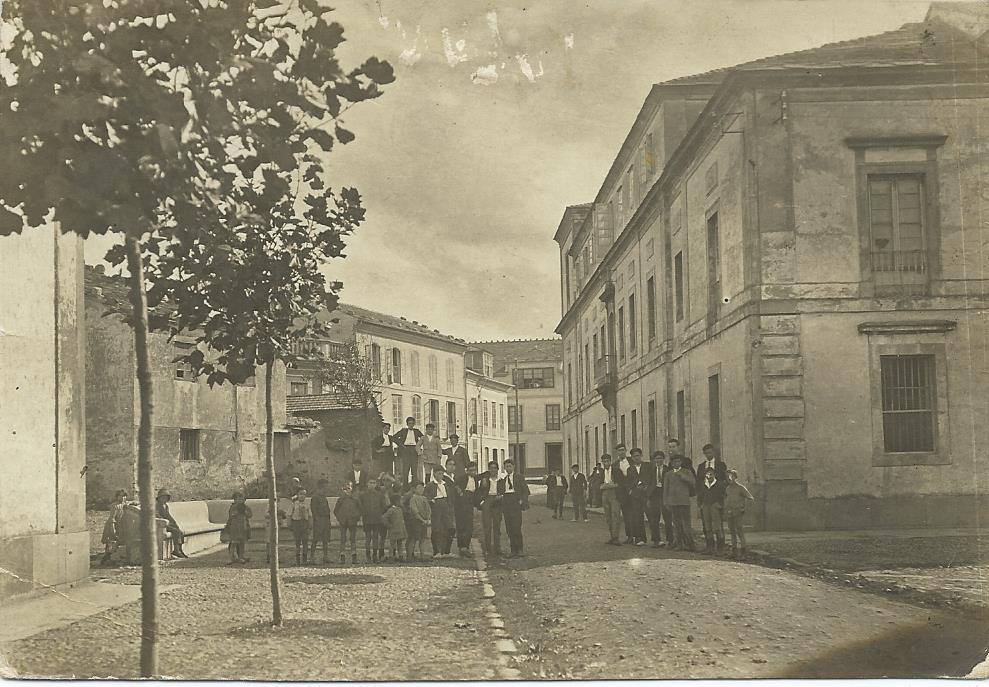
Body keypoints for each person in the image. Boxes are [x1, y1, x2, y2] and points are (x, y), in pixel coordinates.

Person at [695, 444, 728, 544]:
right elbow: (698, 484)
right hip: (705, 499)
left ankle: (720, 546)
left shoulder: (721, 465)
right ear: (704, 454)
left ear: (714, 452)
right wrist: (699, 500)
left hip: (716, 499)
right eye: (706, 453)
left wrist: (721, 500)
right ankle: (709, 546)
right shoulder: (701, 466)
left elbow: (724, 483)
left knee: (717, 524)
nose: (708, 454)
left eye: (710, 452)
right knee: (706, 524)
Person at [498, 459, 530, 557]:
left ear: (513, 466)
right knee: (509, 528)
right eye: (506, 467)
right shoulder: (503, 480)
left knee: (516, 527)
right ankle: (513, 550)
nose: (508, 468)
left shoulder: (519, 477)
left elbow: (526, 491)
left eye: (510, 466)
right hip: (507, 503)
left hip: (516, 502)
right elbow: (501, 492)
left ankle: (520, 549)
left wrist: (521, 501)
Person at [663, 455, 695, 551]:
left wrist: (683, 476)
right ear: (672, 463)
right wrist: (665, 501)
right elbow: (666, 489)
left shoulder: (687, 472)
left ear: (681, 462)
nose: (676, 463)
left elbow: (693, 482)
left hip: (684, 501)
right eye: (674, 462)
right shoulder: (668, 474)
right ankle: (679, 544)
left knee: (686, 524)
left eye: (678, 461)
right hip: (673, 502)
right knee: (677, 524)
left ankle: (690, 544)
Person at [424, 464, 455, 558]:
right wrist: (431, 500)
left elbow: (450, 496)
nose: (440, 475)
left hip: (446, 506)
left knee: (450, 528)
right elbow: (425, 495)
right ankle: (436, 551)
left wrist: (450, 506)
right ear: (434, 475)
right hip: (436, 506)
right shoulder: (430, 485)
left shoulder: (445, 484)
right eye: (438, 474)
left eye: (442, 474)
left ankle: (446, 551)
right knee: (436, 529)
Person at [475, 459, 504, 556]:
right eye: (491, 468)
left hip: (497, 502)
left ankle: (497, 548)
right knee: (487, 526)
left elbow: (504, 491)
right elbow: (479, 492)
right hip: (487, 501)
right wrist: (482, 502)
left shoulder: (501, 480)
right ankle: (487, 549)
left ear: (498, 469)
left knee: (497, 526)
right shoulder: (485, 480)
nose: (493, 470)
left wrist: (501, 497)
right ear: (489, 469)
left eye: (495, 468)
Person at [723, 469, 755, 558]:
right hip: (730, 513)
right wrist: (726, 510)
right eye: (727, 477)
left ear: (735, 477)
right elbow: (727, 500)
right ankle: (734, 552)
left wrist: (743, 508)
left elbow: (750, 498)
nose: (729, 479)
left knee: (739, 531)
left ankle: (743, 551)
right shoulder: (728, 489)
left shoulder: (741, 488)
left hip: (738, 513)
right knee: (732, 532)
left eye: (731, 476)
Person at [697, 466, 726, 554]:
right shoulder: (703, 484)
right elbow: (700, 495)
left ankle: (720, 548)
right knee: (707, 527)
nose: (709, 476)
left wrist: (720, 504)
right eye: (707, 474)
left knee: (717, 527)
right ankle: (710, 547)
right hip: (706, 506)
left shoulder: (720, 484)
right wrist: (700, 504)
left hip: (715, 507)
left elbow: (724, 496)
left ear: (715, 475)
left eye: (711, 474)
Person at [452, 458, 477, 557]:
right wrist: (460, 492)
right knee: (461, 525)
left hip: (470, 502)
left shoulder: (476, 479)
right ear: (467, 470)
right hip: (461, 503)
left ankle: (466, 546)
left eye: (474, 470)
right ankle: (462, 547)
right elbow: (455, 485)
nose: (473, 472)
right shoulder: (462, 478)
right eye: (470, 470)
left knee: (469, 526)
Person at [359, 478, 388, 563]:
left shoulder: (379, 495)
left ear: (376, 484)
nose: (372, 484)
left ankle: (375, 555)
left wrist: (379, 514)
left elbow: (384, 506)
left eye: (374, 483)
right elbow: (360, 506)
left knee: (375, 537)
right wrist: (363, 513)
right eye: (370, 483)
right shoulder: (363, 495)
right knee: (368, 538)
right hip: (367, 519)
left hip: (376, 519)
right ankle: (368, 556)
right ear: (367, 484)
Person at [624, 448, 648, 546]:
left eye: (638, 456)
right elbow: (628, 482)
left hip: (646, 494)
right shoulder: (630, 469)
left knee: (652, 516)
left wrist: (645, 486)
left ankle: (657, 539)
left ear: (641, 456)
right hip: (635, 495)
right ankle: (639, 538)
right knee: (637, 517)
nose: (636, 458)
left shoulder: (648, 466)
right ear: (632, 458)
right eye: (634, 456)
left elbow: (650, 478)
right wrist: (630, 491)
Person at [156, 488, 189, 558]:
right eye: (163, 497)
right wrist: (165, 521)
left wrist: (174, 523)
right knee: (176, 531)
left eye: (166, 497)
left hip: (167, 524)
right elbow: (157, 515)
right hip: (161, 525)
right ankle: (176, 550)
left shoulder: (166, 506)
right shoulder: (157, 506)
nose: (164, 499)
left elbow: (169, 516)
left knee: (180, 531)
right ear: (159, 498)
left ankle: (180, 549)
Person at [333, 482, 361, 564]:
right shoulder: (341, 500)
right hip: (343, 521)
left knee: (352, 539)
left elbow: (359, 509)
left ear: (352, 489)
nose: (346, 491)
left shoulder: (355, 499)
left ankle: (354, 556)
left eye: (348, 488)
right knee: (343, 539)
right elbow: (336, 511)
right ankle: (342, 555)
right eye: (345, 489)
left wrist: (356, 518)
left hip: (352, 521)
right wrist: (340, 518)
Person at [100, 490, 130, 565]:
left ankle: (114, 557)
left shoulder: (125, 504)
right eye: (120, 496)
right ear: (117, 497)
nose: (122, 498)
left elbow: (131, 503)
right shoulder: (115, 506)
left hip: (120, 526)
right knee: (111, 541)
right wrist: (112, 529)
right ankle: (105, 559)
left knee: (118, 542)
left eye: (124, 496)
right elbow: (112, 518)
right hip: (112, 525)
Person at [599, 454, 623, 545]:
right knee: (608, 516)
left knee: (615, 515)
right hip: (605, 495)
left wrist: (612, 485)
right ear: (602, 463)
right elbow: (599, 485)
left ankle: (616, 537)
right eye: (604, 461)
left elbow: (621, 483)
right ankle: (612, 536)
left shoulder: (616, 471)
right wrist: (603, 486)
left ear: (610, 461)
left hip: (615, 495)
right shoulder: (601, 472)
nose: (606, 463)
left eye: (608, 461)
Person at [392, 417, 424, 484]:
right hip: (405, 449)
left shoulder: (416, 431)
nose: (411, 425)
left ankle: (414, 485)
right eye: (409, 423)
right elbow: (394, 437)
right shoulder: (403, 431)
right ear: (407, 424)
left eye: (412, 423)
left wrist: (418, 446)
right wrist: (401, 445)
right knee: (405, 469)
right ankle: (405, 485)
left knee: (414, 468)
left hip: (414, 450)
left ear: (414, 424)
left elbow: (424, 438)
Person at [644, 451, 666, 547]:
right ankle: (656, 540)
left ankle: (671, 540)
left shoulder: (667, 469)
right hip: (654, 495)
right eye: (657, 458)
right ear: (654, 460)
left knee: (668, 518)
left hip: (664, 494)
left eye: (660, 458)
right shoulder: (651, 470)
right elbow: (648, 484)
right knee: (654, 518)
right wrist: (648, 497)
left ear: (663, 459)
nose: (659, 460)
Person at [224, 491, 252, 564]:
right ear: (235, 500)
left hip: (243, 526)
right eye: (238, 499)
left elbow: (250, 515)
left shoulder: (246, 507)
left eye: (241, 499)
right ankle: (231, 557)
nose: (240, 501)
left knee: (242, 543)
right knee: (233, 543)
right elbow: (231, 515)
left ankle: (241, 557)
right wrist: (235, 513)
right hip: (235, 527)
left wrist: (246, 513)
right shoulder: (233, 507)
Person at [405, 482, 431, 560]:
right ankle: (409, 557)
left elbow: (429, 510)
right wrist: (422, 519)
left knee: (423, 539)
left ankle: (423, 556)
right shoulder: (413, 499)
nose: (421, 490)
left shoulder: (424, 498)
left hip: (424, 522)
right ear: (414, 489)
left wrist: (428, 519)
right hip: (416, 521)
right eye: (419, 488)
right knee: (413, 538)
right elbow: (414, 511)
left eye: (422, 488)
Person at [309, 479, 332, 564]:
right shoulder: (315, 497)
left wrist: (328, 521)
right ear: (320, 487)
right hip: (319, 521)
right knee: (315, 540)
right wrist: (318, 521)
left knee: (325, 540)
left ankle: (325, 557)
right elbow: (314, 510)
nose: (326, 489)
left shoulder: (324, 497)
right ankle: (311, 558)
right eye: (325, 487)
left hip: (325, 520)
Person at [289, 488, 312, 565]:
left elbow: (310, 516)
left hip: (304, 523)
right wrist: (290, 524)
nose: (302, 496)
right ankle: (297, 560)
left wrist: (310, 526)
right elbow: (289, 515)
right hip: (296, 523)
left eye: (304, 494)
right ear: (297, 495)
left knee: (305, 542)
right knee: (297, 542)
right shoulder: (294, 504)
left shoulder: (307, 504)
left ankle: (304, 560)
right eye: (301, 494)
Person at [382, 494, 407, 562]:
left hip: (400, 529)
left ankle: (400, 556)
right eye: (400, 500)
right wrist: (389, 525)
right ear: (396, 501)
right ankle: (391, 556)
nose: (401, 502)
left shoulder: (400, 509)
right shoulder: (391, 510)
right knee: (392, 544)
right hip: (393, 530)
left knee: (400, 543)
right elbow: (384, 517)